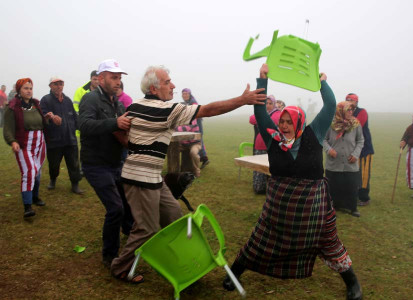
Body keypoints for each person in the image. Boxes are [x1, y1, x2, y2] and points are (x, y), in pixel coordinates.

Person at [110, 65, 266, 283]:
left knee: (173, 215)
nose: (173, 85)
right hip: (140, 179)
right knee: (146, 228)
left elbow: (119, 129)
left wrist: (133, 146)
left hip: (152, 176)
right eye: (167, 82)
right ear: (154, 88)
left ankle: (180, 260)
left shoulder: (135, 106)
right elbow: (208, 110)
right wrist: (242, 100)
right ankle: (119, 268)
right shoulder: (167, 109)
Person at [223, 64, 362, 300]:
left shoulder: (314, 133)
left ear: (298, 122)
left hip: (314, 210)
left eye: (289, 122)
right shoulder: (273, 138)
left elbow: (330, 106)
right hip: (279, 211)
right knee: (260, 241)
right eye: (282, 121)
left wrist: (322, 83)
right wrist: (262, 81)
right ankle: (234, 273)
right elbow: (261, 114)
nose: (284, 126)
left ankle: (353, 284)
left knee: (329, 243)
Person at [78, 59, 133, 268]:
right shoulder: (90, 99)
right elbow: (83, 124)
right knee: (116, 208)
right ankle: (110, 256)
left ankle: (132, 237)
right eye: (113, 77)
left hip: (116, 162)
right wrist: (115, 122)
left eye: (119, 78)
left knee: (127, 203)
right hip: (96, 164)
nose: (118, 82)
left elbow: (119, 131)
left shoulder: (117, 103)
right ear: (101, 79)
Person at [3, 78, 53, 218]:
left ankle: (35, 197)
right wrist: (12, 141)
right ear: (19, 90)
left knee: (37, 172)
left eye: (30, 88)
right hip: (24, 144)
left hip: (39, 144)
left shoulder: (35, 105)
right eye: (25, 88)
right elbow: (7, 129)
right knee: (29, 171)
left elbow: (40, 122)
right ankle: (27, 206)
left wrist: (47, 118)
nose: (29, 91)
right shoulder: (12, 107)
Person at [40, 77, 83, 194]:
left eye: (61, 84)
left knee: (74, 164)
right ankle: (52, 179)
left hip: (70, 139)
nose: (59, 86)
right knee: (54, 164)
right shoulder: (45, 100)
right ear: (50, 86)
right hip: (54, 140)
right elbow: (41, 118)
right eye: (56, 84)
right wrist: (50, 117)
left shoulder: (68, 100)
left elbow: (74, 117)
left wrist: (83, 128)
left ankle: (75, 185)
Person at [323, 101, 364, 217]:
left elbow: (360, 140)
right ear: (341, 111)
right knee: (334, 186)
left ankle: (352, 208)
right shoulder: (331, 124)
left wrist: (356, 154)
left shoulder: (356, 124)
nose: (351, 112)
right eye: (348, 110)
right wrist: (328, 150)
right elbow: (323, 139)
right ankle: (333, 206)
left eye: (352, 110)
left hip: (350, 163)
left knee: (351, 186)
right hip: (333, 163)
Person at [346, 93, 374, 206]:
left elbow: (356, 125)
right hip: (351, 148)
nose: (349, 102)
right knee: (353, 173)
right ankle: (353, 195)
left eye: (351, 100)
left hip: (364, 148)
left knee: (363, 174)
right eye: (347, 100)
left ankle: (364, 198)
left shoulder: (362, 112)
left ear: (356, 102)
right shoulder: (345, 112)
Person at [249, 94, 281, 193]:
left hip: (272, 145)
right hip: (259, 144)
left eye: (270, 103)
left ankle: (273, 189)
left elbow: (274, 121)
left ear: (274, 104)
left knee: (272, 167)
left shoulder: (278, 113)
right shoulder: (262, 113)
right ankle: (259, 188)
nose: (268, 105)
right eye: (266, 103)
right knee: (259, 167)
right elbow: (251, 119)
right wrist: (262, 115)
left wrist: (263, 116)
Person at [181, 88, 209, 168]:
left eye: (186, 94)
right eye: (183, 94)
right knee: (198, 139)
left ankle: (204, 158)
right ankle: (203, 158)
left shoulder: (193, 102)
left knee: (198, 139)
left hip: (197, 123)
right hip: (193, 123)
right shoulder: (188, 102)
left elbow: (195, 113)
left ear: (189, 94)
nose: (185, 95)